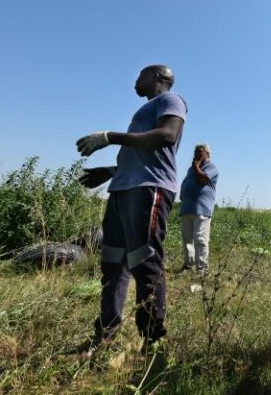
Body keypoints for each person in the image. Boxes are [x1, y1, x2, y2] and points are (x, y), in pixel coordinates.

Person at [75, 64, 187, 355]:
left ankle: (151, 342)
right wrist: (113, 169)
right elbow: (144, 153)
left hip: (149, 189)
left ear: (158, 78)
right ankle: (105, 335)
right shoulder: (146, 110)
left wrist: (109, 137)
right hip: (123, 189)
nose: (135, 82)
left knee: (145, 261)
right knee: (113, 263)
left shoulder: (170, 101)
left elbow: (167, 135)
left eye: (140, 76)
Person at [178, 143, 219, 276]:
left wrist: (196, 165)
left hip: (202, 209)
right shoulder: (191, 169)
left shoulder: (211, 167)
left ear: (207, 154)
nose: (196, 153)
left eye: (200, 151)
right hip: (187, 208)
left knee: (200, 239)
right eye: (195, 151)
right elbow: (185, 183)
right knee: (187, 239)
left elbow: (202, 179)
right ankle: (188, 266)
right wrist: (183, 193)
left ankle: (201, 270)